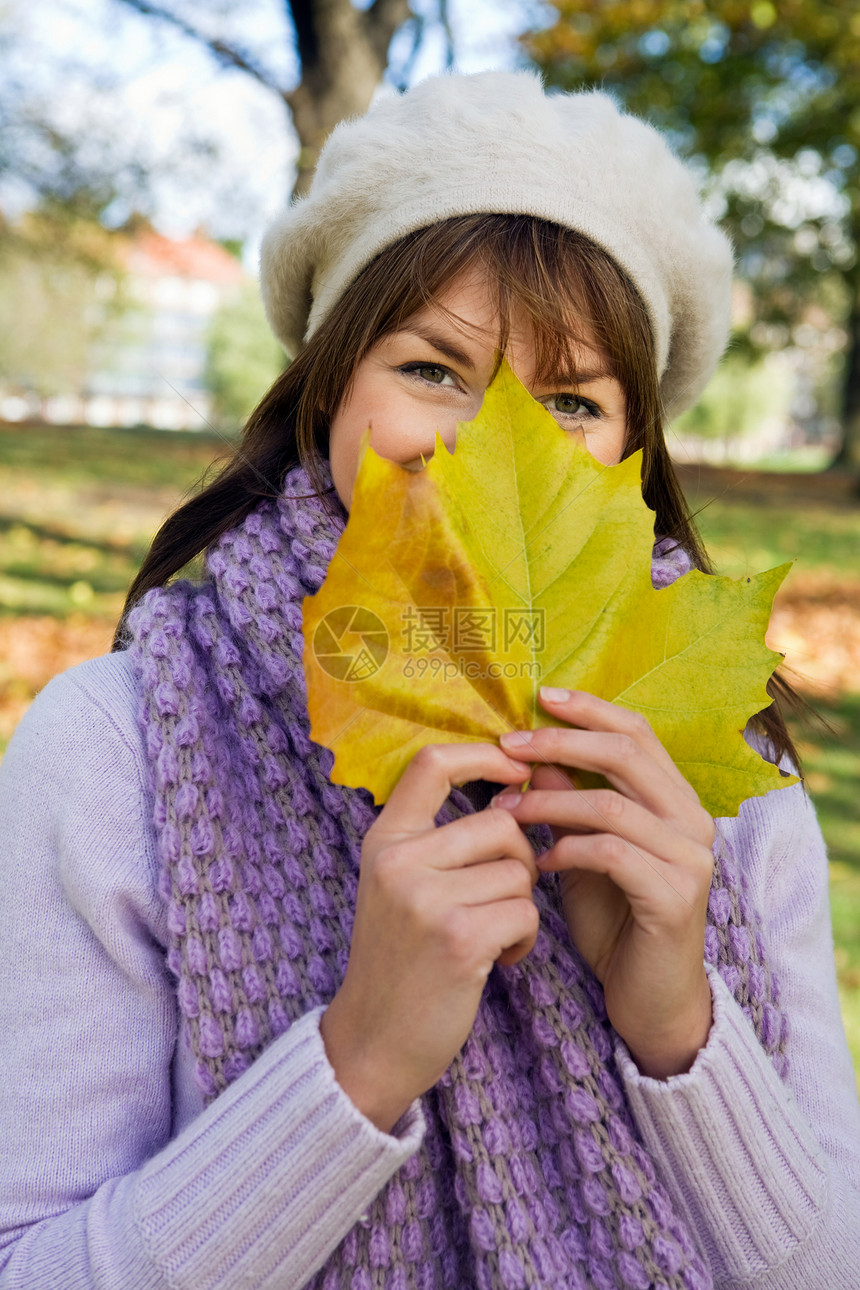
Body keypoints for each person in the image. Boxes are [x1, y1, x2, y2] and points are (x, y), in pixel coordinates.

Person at [0, 69, 858, 1290]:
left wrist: (676, 1029)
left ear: (629, 451)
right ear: (329, 388)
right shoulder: (118, 750)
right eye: (432, 371)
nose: (482, 449)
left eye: (565, 398)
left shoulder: (725, 770)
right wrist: (355, 1064)